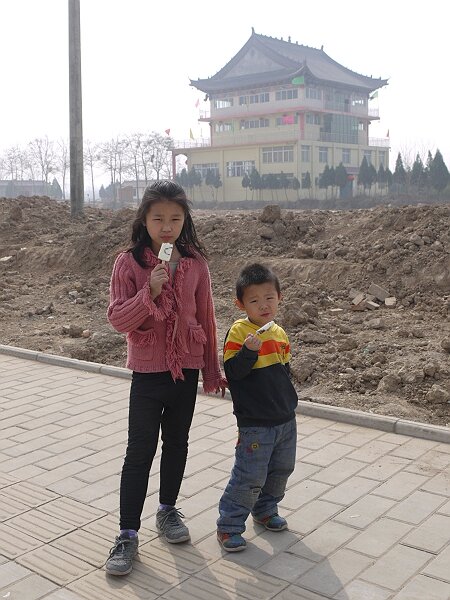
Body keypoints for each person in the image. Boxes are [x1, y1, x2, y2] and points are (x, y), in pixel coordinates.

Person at [105, 180, 226, 576]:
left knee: (177, 442)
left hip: (185, 369)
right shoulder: (129, 263)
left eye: (176, 218)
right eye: (159, 218)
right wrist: (149, 293)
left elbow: (205, 316)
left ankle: (167, 510)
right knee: (139, 452)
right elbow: (117, 319)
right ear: (145, 219)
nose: (168, 226)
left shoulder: (195, 263)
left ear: (185, 220)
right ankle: (126, 534)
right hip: (147, 370)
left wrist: (212, 370)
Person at [216, 263, 298, 552]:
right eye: (254, 300)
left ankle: (265, 510)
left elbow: (284, 371)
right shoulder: (240, 332)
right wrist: (249, 352)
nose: (263, 305)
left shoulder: (279, 333)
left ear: (279, 297)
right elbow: (234, 372)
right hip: (255, 422)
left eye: (269, 298)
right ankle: (229, 525)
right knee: (250, 473)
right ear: (241, 304)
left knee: (281, 468)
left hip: (285, 418)